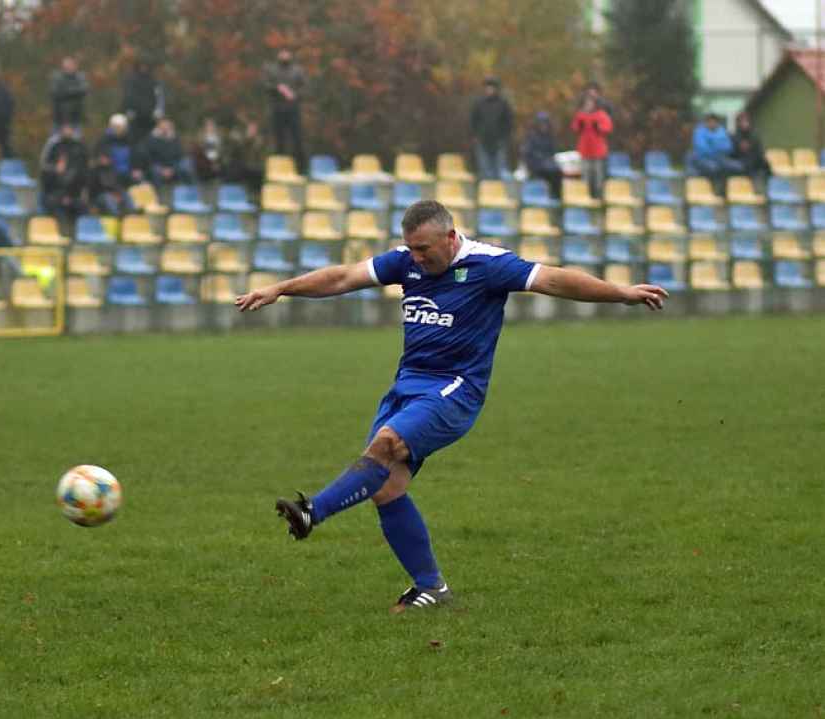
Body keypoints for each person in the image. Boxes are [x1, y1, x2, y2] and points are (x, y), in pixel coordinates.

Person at [234, 200, 667, 612]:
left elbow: (554, 280)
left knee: (385, 445)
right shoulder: (406, 261)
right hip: (407, 386)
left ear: (451, 237)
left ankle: (312, 512)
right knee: (385, 487)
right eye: (411, 248)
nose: (416, 258)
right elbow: (344, 277)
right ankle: (431, 588)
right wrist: (282, 288)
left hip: (454, 390)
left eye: (424, 249)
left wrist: (621, 293)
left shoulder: (489, 265)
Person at [262, 48, 306, 169]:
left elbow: (304, 87)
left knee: (297, 139)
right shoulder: (271, 69)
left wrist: (295, 94)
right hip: (277, 109)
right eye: (282, 53)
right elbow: (265, 85)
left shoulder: (297, 70)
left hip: (293, 109)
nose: (284, 55)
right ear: (278, 55)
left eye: (287, 53)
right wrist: (277, 88)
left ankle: (301, 169)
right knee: (278, 140)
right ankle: (279, 168)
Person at [687, 113, 743, 195]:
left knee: (737, 167)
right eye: (710, 121)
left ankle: (726, 193)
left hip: (720, 159)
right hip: (702, 160)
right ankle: (712, 192)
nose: (712, 124)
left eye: (714, 122)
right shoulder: (699, 132)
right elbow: (703, 149)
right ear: (706, 122)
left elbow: (728, 147)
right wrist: (717, 147)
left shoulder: (721, 131)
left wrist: (712, 144)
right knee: (714, 168)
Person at [469, 76, 514, 180]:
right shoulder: (479, 103)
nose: (489, 90)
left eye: (492, 87)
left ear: (496, 89)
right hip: (483, 141)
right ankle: (486, 193)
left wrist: (505, 137)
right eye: (487, 87)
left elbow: (509, 122)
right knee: (485, 171)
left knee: (500, 171)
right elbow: (473, 121)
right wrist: (475, 136)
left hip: (499, 142)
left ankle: (499, 194)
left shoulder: (503, 104)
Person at [571, 94, 612, 198]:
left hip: (598, 151)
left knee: (598, 175)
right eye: (586, 104)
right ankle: (586, 196)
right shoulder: (580, 115)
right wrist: (579, 126)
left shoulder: (601, 115)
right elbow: (574, 128)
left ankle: (599, 196)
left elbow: (608, 128)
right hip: (585, 151)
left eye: (590, 103)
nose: (588, 105)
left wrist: (598, 127)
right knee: (586, 175)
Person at [135, 118, 193, 187]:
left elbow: (179, 154)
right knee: (154, 169)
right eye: (163, 126)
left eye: (167, 126)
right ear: (159, 126)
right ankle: (159, 190)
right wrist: (162, 170)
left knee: (186, 164)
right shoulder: (152, 139)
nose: (166, 128)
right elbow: (149, 156)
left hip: (173, 164)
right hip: (158, 165)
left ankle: (189, 187)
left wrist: (172, 169)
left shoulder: (174, 138)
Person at [121, 60, 165, 145]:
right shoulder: (131, 81)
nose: (143, 68)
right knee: (134, 138)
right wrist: (129, 110)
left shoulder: (154, 81)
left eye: (145, 66)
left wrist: (159, 110)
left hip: (151, 116)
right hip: (135, 116)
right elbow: (128, 96)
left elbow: (159, 97)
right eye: (141, 66)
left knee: (151, 139)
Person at [522, 112, 562, 199]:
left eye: (545, 123)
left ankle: (556, 198)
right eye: (542, 124)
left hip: (547, 165)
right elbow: (527, 153)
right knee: (548, 171)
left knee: (557, 172)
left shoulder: (550, 137)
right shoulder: (531, 136)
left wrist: (548, 160)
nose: (544, 126)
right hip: (535, 165)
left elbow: (552, 152)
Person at [40, 153, 88, 226]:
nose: (62, 164)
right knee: (59, 211)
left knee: (81, 206)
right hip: (54, 201)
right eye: (60, 161)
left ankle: (82, 229)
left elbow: (74, 189)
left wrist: (70, 198)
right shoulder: (49, 173)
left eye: (64, 162)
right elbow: (47, 190)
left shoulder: (70, 174)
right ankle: (63, 229)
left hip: (68, 200)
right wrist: (55, 172)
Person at [96, 114, 141, 187]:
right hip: (111, 175)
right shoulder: (104, 141)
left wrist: (136, 168)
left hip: (129, 174)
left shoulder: (131, 140)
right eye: (116, 127)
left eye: (121, 127)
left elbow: (137, 156)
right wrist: (102, 160)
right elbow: (99, 158)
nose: (119, 129)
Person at [224, 113, 265, 191]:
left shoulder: (259, 141)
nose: (252, 130)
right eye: (251, 128)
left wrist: (256, 144)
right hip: (241, 167)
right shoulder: (241, 139)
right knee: (233, 168)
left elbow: (259, 157)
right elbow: (237, 152)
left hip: (254, 169)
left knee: (257, 172)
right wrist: (247, 140)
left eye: (254, 128)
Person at [50, 55, 89, 130]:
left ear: (75, 66)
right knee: (54, 141)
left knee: (76, 140)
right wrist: (73, 92)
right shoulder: (57, 77)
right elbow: (55, 93)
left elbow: (83, 90)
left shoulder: (80, 77)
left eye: (70, 65)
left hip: (76, 117)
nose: (68, 68)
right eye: (66, 66)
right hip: (59, 119)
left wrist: (65, 91)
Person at [731, 111, 771, 180]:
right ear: (738, 123)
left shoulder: (754, 136)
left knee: (765, 164)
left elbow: (760, 151)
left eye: (746, 121)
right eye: (742, 121)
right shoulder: (735, 136)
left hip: (755, 161)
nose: (745, 124)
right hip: (741, 161)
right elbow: (733, 152)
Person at [191, 117, 224, 181]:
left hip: (217, 161)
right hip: (204, 162)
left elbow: (221, 152)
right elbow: (198, 151)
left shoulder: (219, 138)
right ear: (205, 127)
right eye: (208, 125)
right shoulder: (200, 137)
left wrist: (216, 162)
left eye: (211, 125)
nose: (210, 127)